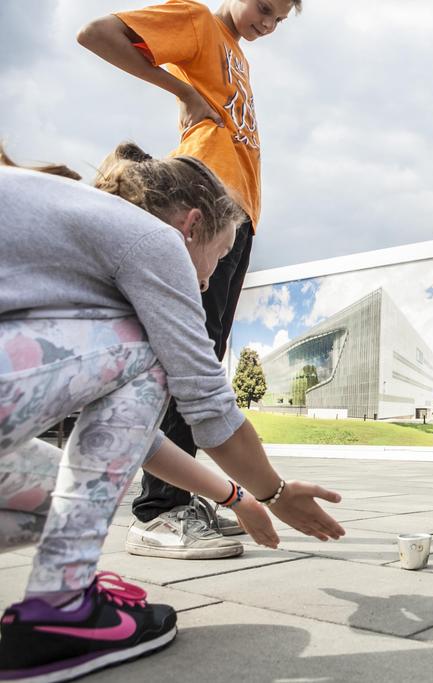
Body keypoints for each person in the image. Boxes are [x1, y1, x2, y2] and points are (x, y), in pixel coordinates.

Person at [0, 145, 343, 681]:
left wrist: (237, 495)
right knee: (157, 348)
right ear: (192, 225)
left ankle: (67, 595)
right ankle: (61, 609)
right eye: (219, 258)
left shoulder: (72, 242)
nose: (206, 283)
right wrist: (276, 494)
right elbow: (206, 403)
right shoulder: (153, 240)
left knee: (57, 501)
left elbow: (125, 439)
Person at [78, 0, 303, 559]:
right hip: (203, 209)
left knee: (207, 353)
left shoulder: (238, 60)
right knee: (187, 358)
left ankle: (184, 496)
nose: (268, 24)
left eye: (280, 19)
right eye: (264, 7)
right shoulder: (200, 21)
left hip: (235, 218)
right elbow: (98, 33)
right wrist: (180, 91)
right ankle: (159, 511)